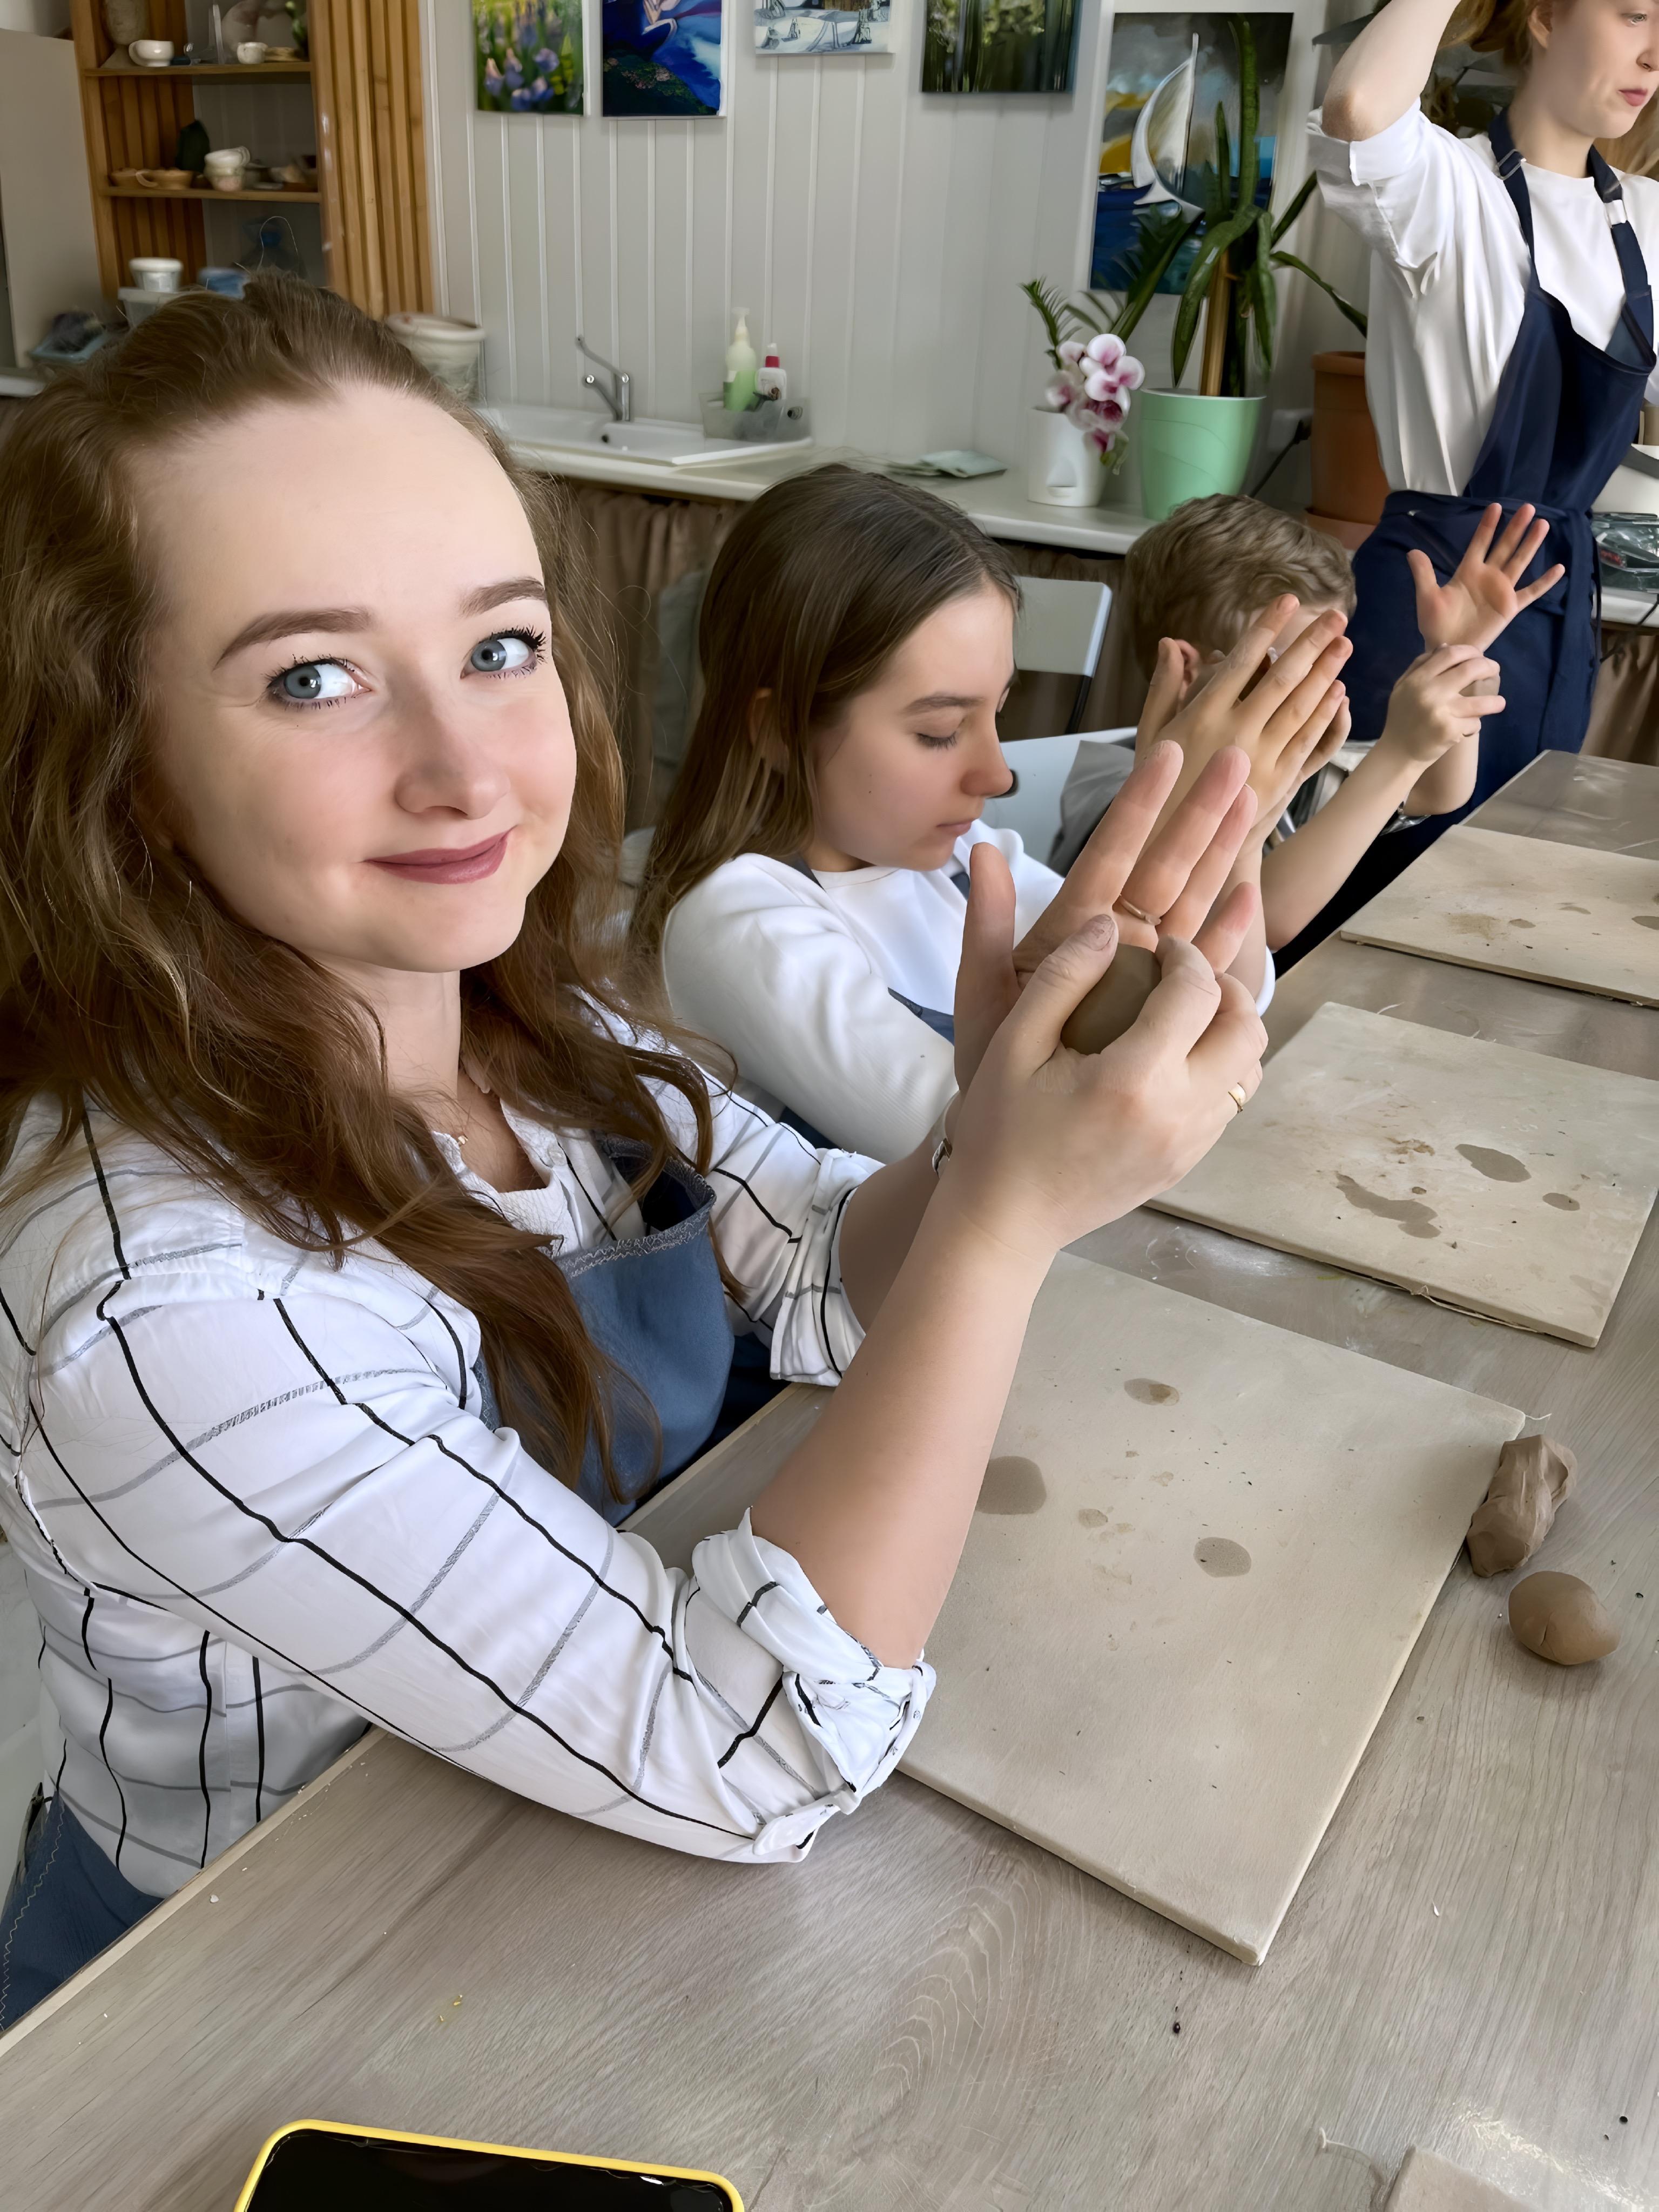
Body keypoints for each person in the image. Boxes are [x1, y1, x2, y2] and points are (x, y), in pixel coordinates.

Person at [0, 279, 1266, 2027]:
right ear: (123, 764)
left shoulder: (541, 1022)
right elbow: (751, 1750)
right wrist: (1003, 1217)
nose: (464, 771)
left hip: (558, 1869)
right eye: (313, 678)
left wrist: (989, 1117)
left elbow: (815, 1266)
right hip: (255, 1986)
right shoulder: (174, 1309)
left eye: (500, 647)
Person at [632, 468, 1348, 1162]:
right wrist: (1185, 805)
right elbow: (979, 1147)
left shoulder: (962, 858)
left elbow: (1238, 990)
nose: (998, 773)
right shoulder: (737, 922)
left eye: (997, 713)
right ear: (778, 731)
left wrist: (1239, 823)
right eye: (941, 731)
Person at [1306, 0, 1653, 930]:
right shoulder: (1443, 186)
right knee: (1371, 899)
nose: (1655, 54)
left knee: (1502, 898)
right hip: (1427, 603)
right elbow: (1356, 107)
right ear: (1543, 17)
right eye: (1634, 15)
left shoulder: (1647, 220)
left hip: (1556, 610)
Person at [1051, 497, 1520, 961]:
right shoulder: (1120, 795)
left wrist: (1455, 661)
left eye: (1327, 663)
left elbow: (1432, 793)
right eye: (1292, 667)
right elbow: (1268, 919)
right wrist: (1400, 755)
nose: (1316, 689)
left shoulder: (1290, 765)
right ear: (1189, 670)